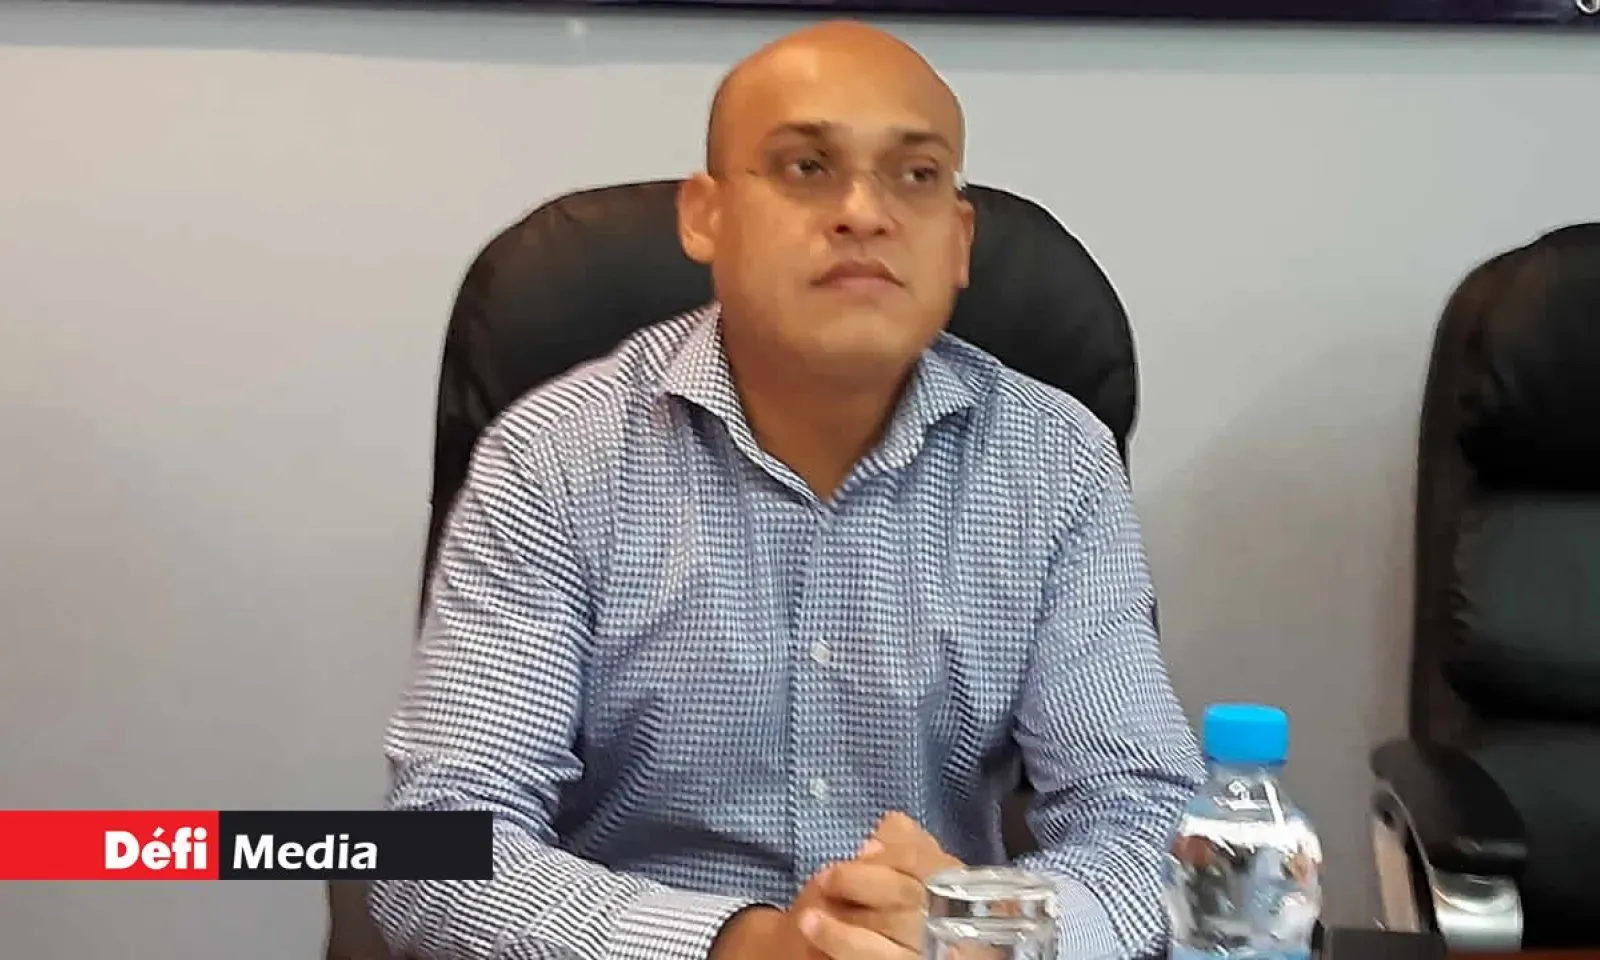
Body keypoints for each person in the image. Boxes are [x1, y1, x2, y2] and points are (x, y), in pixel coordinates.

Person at [369, 19, 1204, 960]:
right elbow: (433, 846)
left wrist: (987, 931)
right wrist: (742, 946)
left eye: (917, 175)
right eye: (807, 167)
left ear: (960, 240)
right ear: (705, 216)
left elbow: (1148, 821)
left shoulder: (1054, 462)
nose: (865, 212)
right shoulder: (553, 458)